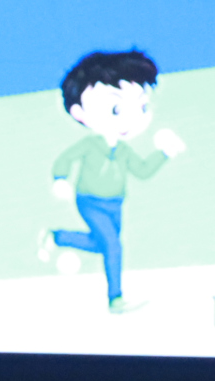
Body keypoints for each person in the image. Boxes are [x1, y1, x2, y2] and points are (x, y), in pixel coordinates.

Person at [41, 49, 186, 314]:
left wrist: (164, 154)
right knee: (113, 246)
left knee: (101, 245)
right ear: (79, 112)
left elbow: (142, 171)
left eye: (141, 107)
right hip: (90, 201)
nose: (130, 118)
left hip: (115, 204)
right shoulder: (90, 144)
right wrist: (60, 179)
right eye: (117, 109)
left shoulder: (124, 150)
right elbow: (65, 159)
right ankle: (115, 299)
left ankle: (57, 237)